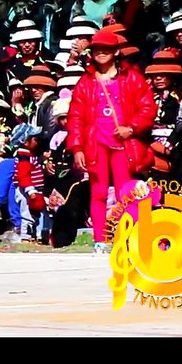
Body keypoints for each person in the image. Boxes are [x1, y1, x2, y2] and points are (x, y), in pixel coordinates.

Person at [65, 29, 156, 252]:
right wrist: (76, 148)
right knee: (98, 193)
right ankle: (100, 240)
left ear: (115, 52)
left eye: (107, 49)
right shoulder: (85, 83)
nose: (102, 53)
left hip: (123, 144)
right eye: (98, 49)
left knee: (126, 192)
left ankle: (127, 237)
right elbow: (75, 116)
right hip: (96, 144)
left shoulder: (132, 77)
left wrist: (132, 128)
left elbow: (148, 107)